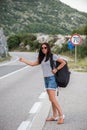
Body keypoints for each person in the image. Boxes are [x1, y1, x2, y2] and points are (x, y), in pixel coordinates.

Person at [19, 42, 66, 124]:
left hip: (52, 79)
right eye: (42, 48)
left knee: (52, 99)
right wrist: (23, 60)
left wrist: (56, 69)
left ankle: (61, 116)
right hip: (46, 79)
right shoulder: (41, 58)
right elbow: (32, 64)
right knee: (51, 99)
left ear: (48, 48)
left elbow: (63, 62)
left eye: (45, 47)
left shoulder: (52, 56)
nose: (44, 49)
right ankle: (54, 116)